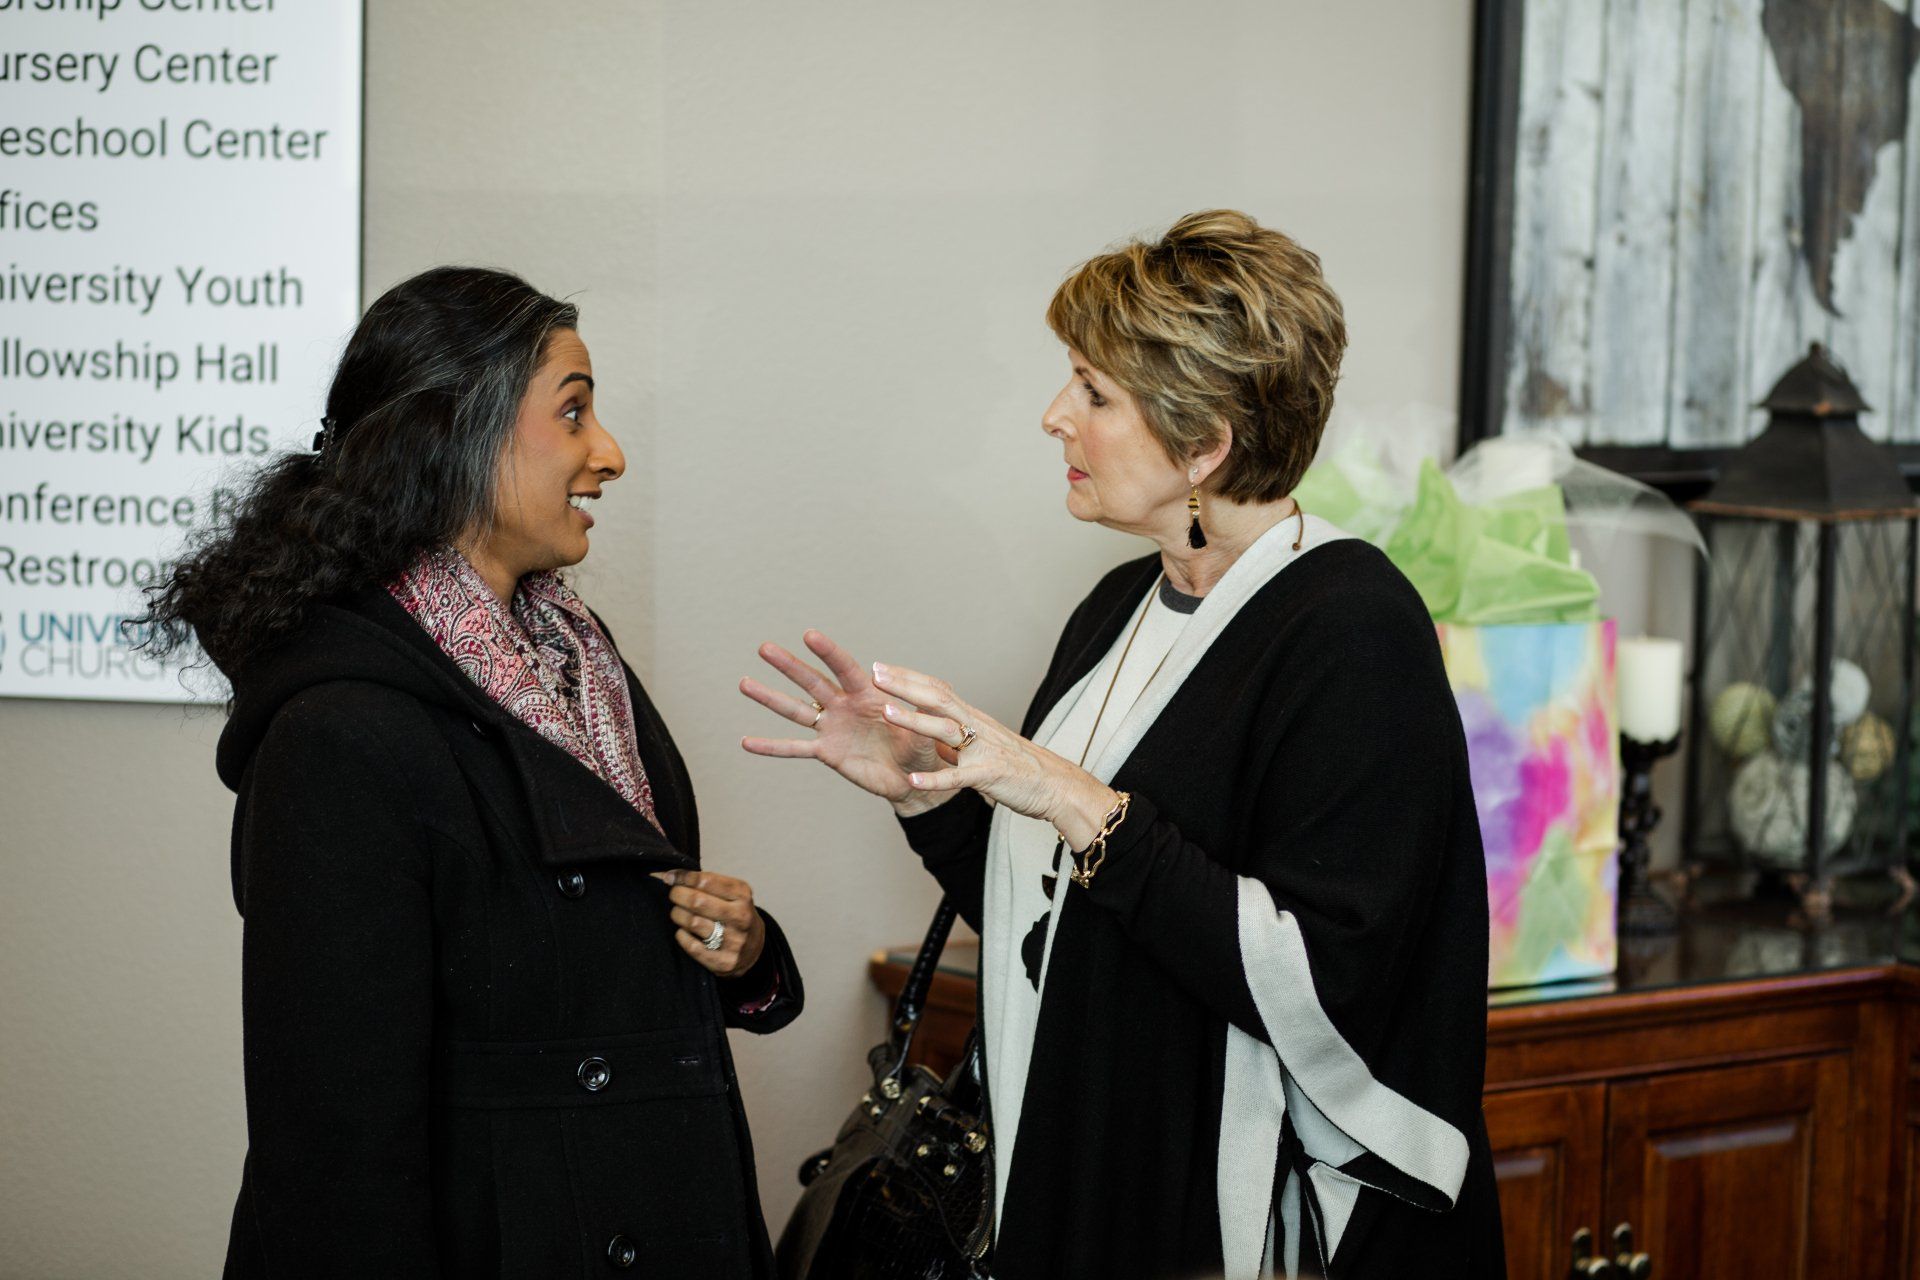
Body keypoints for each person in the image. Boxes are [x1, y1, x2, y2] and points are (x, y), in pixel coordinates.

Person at [741, 211, 1503, 1278]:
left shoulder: (1351, 626)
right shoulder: (1115, 608)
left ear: (1203, 445)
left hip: (1244, 1225)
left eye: (1094, 392)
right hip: (1093, 1172)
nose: (1055, 416)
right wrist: (927, 790)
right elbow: (1058, 918)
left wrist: (1070, 795)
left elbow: (1326, 980)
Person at [142, 266, 803, 1278]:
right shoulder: (340, 733)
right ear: (454, 435)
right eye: (573, 412)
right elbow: (335, 1151)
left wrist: (747, 954)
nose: (610, 453)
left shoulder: (575, 662)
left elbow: (590, 964)